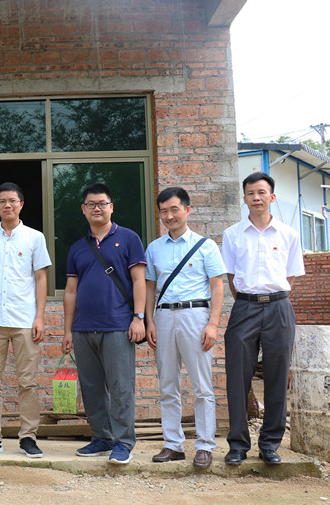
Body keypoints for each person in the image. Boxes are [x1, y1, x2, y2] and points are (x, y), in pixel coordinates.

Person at [222, 172, 305, 466]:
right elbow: (231, 276)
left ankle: (270, 444)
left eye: (261, 192)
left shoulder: (288, 234)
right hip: (244, 308)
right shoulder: (232, 234)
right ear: (244, 198)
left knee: (277, 376)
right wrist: (249, 300)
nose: (256, 198)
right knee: (237, 376)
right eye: (250, 193)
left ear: (272, 196)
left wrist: (271, 297)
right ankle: (237, 445)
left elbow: (290, 276)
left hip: (279, 308)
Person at [61, 183, 146, 465]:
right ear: (83, 209)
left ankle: (123, 442)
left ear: (111, 207)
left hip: (118, 325)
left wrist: (139, 317)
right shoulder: (77, 247)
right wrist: (67, 330)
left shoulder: (129, 238)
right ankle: (102, 437)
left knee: (121, 387)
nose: (96, 208)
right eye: (91, 204)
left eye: (102, 203)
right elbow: (70, 291)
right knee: (92, 386)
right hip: (83, 328)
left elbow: (139, 280)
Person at [144, 187, 225, 469]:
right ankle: (173, 444)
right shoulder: (154, 248)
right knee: (168, 384)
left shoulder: (206, 246)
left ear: (187, 210)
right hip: (164, 316)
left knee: (202, 385)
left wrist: (213, 324)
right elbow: (150, 287)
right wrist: (149, 320)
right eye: (164, 211)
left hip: (196, 315)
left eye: (174, 209)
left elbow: (217, 286)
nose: (169, 216)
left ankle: (204, 445)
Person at [0, 182, 51, 458]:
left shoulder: (34, 237)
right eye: (2, 201)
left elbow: (41, 278)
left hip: (24, 320)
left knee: (27, 382)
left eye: (12, 200)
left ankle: (28, 437)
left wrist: (40, 317)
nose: (7, 205)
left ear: (21, 204)